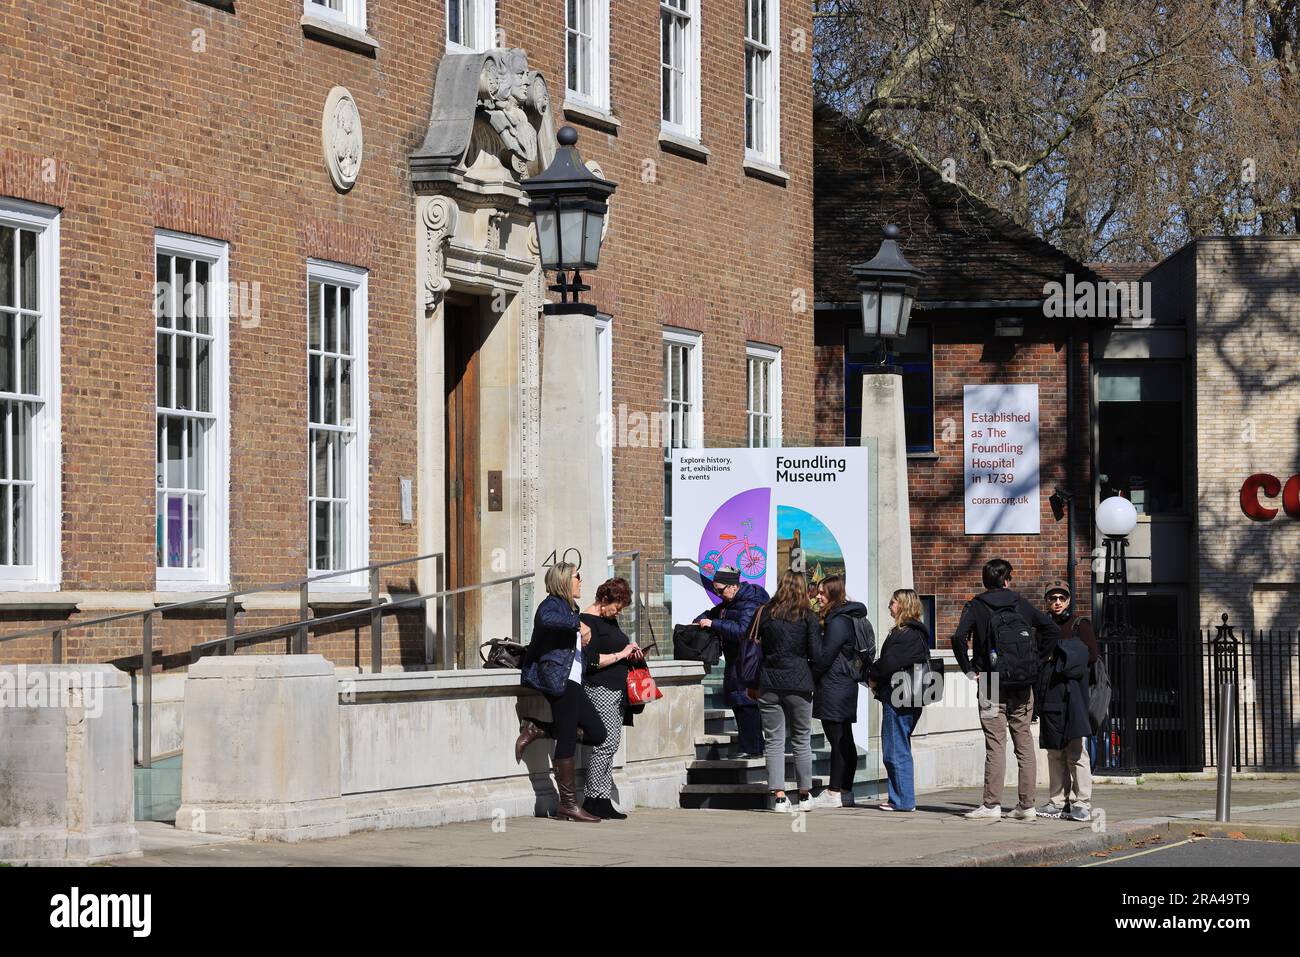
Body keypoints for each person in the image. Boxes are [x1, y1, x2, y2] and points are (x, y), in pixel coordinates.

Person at [950, 558, 1060, 821]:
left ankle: (991, 805)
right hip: (1023, 683)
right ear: (1007, 580)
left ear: (985, 581)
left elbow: (958, 637)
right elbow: (1052, 630)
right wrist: (1037, 661)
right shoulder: (1019, 603)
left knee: (995, 744)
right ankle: (1027, 806)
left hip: (989, 682)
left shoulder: (976, 606)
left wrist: (968, 669)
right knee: (1024, 743)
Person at [513, 562, 607, 823]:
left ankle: (537, 729)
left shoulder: (570, 609)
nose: (581, 581)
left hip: (575, 681)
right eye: (578, 577)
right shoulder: (552, 605)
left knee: (598, 733)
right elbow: (546, 620)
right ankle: (568, 805)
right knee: (566, 737)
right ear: (565, 581)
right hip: (560, 681)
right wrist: (578, 624)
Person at [750, 570, 822, 812]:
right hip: (799, 682)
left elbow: (751, 643)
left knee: (774, 741)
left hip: (769, 682)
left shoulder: (766, 613)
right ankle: (804, 795)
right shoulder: (807, 616)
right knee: (801, 739)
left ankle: (779, 797)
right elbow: (816, 653)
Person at [580, 577, 642, 820]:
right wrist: (621, 654)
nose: (618, 611)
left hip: (618, 688)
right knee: (604, 743)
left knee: (613, 743)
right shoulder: (585, 621)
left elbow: (617, 647)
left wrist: (631, 650)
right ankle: (593, 798)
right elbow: (592, 660)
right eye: (617, 606)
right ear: (604, 599)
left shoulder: (609, 620)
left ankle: (602, 797)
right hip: (600, 688)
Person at [1036, 581, 1098, 822]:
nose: (1058, 602)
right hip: (1050, 695)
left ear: (1069, 600)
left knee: (1076, 752)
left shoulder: (1080, 625)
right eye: (1053, 598)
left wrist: (1058, 653)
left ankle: (1082, 802)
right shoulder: (1042, 627)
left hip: (1074, 696)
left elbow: (1091, 655)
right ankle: (1057, 802)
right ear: (1047, 602)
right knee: (1054, 753)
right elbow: (1038, 656)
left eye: (1062, 597)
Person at [867, 589, 932, 812]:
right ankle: (901, 798)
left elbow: (889, 663)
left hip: (899, 698)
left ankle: (902, 800)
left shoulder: (906, 634)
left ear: (903, 605)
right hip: (907, 697)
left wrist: (872, 676)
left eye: (893, 602)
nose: (889, 606)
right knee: (898, 747)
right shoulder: (915, 633)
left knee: (895, 749)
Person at [693, 566, 768, 758]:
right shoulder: (731, 604)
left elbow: (743, 631)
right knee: (739, 703)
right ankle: (750, 747)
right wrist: (703, 619)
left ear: (734, 586)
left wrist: (714, 624)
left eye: (721, 590)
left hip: (749, 661)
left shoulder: (750, 602)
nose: (719, 594)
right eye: (716, 590)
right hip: (737, 661)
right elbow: (711, 614)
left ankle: (752, 749)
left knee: (746, 704)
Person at [809, 575, 871, 808]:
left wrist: (809, 678)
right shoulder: (847, 616)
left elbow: (825, 657)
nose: (818, 596)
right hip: (844, 684)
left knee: (837, 740)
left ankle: (834, 791)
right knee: (844, 739)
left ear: (834, 594)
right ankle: (845, 790)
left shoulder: (837, 621)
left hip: (834, 685)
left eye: (823, 592)